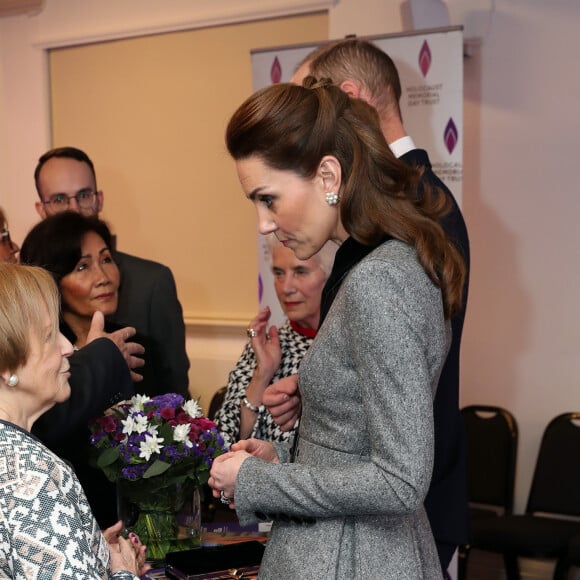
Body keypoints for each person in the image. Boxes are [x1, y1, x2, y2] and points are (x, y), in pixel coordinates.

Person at [208, 79, 466, 579]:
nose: (263, 223)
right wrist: (284, 459)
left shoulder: (378, 280)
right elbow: (358, 449)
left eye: (269, 199)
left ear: (328, 174)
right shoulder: (372, 264)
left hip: (352, 559)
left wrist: (260, 481)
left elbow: (400, 480)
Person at [20, 211, 170, 527]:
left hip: (142, 519)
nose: (103, 276)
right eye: (83, 266)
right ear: (53, 281)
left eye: (106, 260)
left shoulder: (138, 347)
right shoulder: (38, 362)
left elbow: (169, 438)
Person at [0, 262, 148, 579]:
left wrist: (87, 548)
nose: (69, 347)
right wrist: (124, 572)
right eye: (50, 335)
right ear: (6, 367)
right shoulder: (32, 476)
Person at [34, 146, 190, 395]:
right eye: (60, 200)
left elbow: (173, 394)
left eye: (84, 195)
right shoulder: (37, 333)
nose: (74, 210)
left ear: (99, 199)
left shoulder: (151, 283)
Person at [213, 236, 336, 443]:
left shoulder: (348, 347)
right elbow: (222, 444)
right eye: (279, 273)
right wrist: (262, 375)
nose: (286, 287)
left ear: (331, 275)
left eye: (300, 272)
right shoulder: (268, 343)